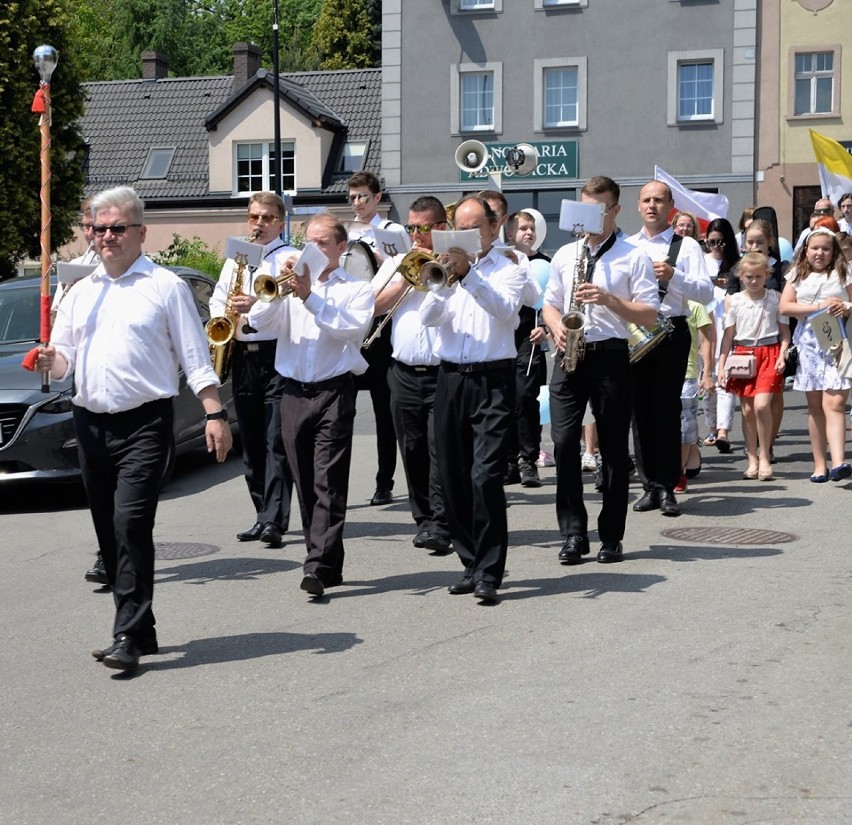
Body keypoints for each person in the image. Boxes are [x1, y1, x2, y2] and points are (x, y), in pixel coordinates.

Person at [35, 185, 233, 672]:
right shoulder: (79, 292)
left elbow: (194, 356)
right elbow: (64, 364)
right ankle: (142, 631)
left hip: (144, 424)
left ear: (141, 232)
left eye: (117, 228)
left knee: (130, 525)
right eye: (98, 228)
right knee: (108, 532)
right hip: (91, 424)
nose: (107, 236)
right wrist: (48, 360)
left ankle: (126, 633)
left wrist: (213, 413)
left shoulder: (165, 287)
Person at [247, 214, 374, 597]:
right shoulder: (290, 285)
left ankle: (317, 565)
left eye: (321, 243)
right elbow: (259, 322)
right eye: (309, 242)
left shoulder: (356, 289)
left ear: (340, 248)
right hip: (292, 392)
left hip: (334, 390)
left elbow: (350, 330)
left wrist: (309, 296)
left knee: (328, 482)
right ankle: (325, 560)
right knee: (304, 481)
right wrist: (274, 293)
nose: (313, 249)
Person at [543, 176, 658, 565]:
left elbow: (649, 312)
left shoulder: (633, 254)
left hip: (610, 354)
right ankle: (573, 533)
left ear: (615, 210)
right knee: (562, 443)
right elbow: (550, 304)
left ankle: (611, 536)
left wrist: (609, 299)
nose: (590, 218)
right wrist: (557, 325)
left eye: (599, 210)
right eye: (584, 209)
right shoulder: (565, 254)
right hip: (568, 353)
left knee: (611, 448)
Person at [420, 195, 526, 603]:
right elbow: (428, 319)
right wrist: (445, 283)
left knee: (484, 477)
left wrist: (469, 277)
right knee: (453, 477)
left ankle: (490, 571)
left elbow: (504, 312)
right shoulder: (445, 271)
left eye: (473, 228)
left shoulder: (509, 267)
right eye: (457, 229)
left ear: (493, 228)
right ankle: (470, 561)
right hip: (449, 378)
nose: (464, 237)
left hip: (493, 379)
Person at [210, 192, 294, 548]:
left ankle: (275, 519)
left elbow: (283, 307)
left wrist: (254, 304)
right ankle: (261, 512)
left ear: (280, 222)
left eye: (266, 218)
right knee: (252, 439)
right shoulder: (237, 256)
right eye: (253, 217)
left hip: (276, 354)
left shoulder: (290, 257)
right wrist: (221, 315)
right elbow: (218, 295)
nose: (258, 224)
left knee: (276, 439)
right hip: (243, 354)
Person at [370, 196, 451, 553]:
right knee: (412, 448)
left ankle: (442, 522)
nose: (416, 234)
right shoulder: (399, 262)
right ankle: (424, 520)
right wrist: (405, 279)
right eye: (412, 228)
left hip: (442, 372)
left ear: (441, 228)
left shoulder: (454, 262)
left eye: (424, 228)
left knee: (439, 449)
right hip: (401, 371)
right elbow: (371, 306)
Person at [629, 180, 713, 516]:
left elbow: (706, 294)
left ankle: (667, 486)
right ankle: (648, 484)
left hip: (672, 329)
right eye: (647, 200)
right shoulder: (628, 245)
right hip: (634, 330)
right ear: (638, 205)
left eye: (659, 200)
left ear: (671, 205)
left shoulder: (686, 245)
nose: (652, 206)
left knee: (666, 410)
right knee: (639, 412)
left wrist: (674, 275)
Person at [346, 171, 403, 506]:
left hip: (382, 326)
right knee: (343, 409)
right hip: (351, 327)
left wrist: (376, 251)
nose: (357, 203)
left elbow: (401, 267)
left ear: (377, 198)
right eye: (352, 197)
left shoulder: (392, 231)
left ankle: (385, 481)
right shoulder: (344, 232)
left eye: (363, 196)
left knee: (384, 409)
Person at [779, 227, 852, 482]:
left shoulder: (844, 272)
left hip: (838, 341)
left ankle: (839, 462)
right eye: (815, 248)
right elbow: (785, 306)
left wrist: (845, 306)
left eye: (826, 248)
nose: (820, 253)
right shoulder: (797, 274)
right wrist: (817, 307)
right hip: (810, 343)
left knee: (835, 403)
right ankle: (819, 464)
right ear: (806, 251)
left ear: (833, 252)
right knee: (815, 406)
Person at [481, 199, 545, 488]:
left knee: (525, 399)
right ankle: (507, 461)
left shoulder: (539, 261)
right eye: (523, 228)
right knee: (502, 401)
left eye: (532, 228)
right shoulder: (497, 258)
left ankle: (528, 460)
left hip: (528, 337)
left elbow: (545, 300)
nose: (528, 233)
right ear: (510, 233)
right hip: (502, 335)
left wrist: (544, 327)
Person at [718, 253, 791, 481]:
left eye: (758, 276)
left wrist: (783, 354)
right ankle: (752, 459)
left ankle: (765, 455)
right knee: (748, 410)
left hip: (769, 353)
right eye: (749, 276)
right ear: (741, 276)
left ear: (766, 275)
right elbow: (728, 337)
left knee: (761, 405)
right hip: (743, 354)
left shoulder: (774, 298)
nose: (753, 281)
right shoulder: (735, 300)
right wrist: (721, 365)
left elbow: (785, 332)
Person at [702, 218, 741, 454]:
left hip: (728, 328)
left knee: (726, 382)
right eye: (712, 242)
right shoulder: (700, 262)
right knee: (706, 381)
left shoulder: (736, 266)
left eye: (722, 242)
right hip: (705, 328)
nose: (717, 246)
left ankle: (724, 431)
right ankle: (712, 427)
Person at [676, 300, 715, 493]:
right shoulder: (651, 300)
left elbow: (706, 340)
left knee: (684, 425)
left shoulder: (696, 306)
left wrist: (707, 373)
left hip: (687, 374)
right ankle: (691, 454)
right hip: (656, 375)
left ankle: (678, 472)